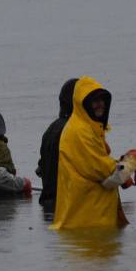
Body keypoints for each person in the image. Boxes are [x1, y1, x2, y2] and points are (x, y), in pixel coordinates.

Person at [50, 76, 136, 230]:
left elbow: (103, 168)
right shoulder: (80, 132)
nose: (100, 104)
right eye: (95, 101)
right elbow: (110, 175)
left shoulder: (86, 128)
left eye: (102, 100)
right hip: (87, 226)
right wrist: (135, 159)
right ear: (84, 103)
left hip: (90, 222)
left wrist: (125, 166)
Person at [35, 78, 78, 212]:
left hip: (48, 204)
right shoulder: (75, 129)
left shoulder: (51, 128)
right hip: (68, 207)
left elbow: (41, 169)